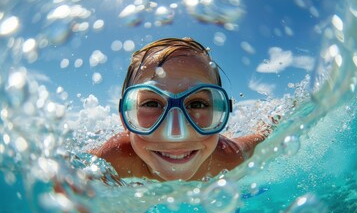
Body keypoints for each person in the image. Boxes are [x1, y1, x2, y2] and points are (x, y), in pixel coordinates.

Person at [91, 37, 269, 181]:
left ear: (221, 112)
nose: (176, 132)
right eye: (152, 104)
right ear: (125, 119)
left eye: (197, 104)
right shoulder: (113, 159)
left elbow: (266, 132)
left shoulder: (230, 158)